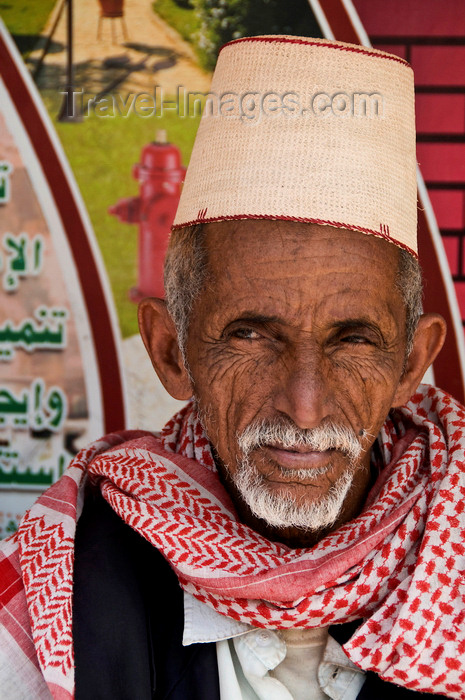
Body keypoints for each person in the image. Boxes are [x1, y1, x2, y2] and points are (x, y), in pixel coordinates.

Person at [1, 35, 465, 700]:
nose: (304, 408)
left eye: (352, 340)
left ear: (411, 363)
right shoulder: (67, 585)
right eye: (251, 335)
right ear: (171, 351)